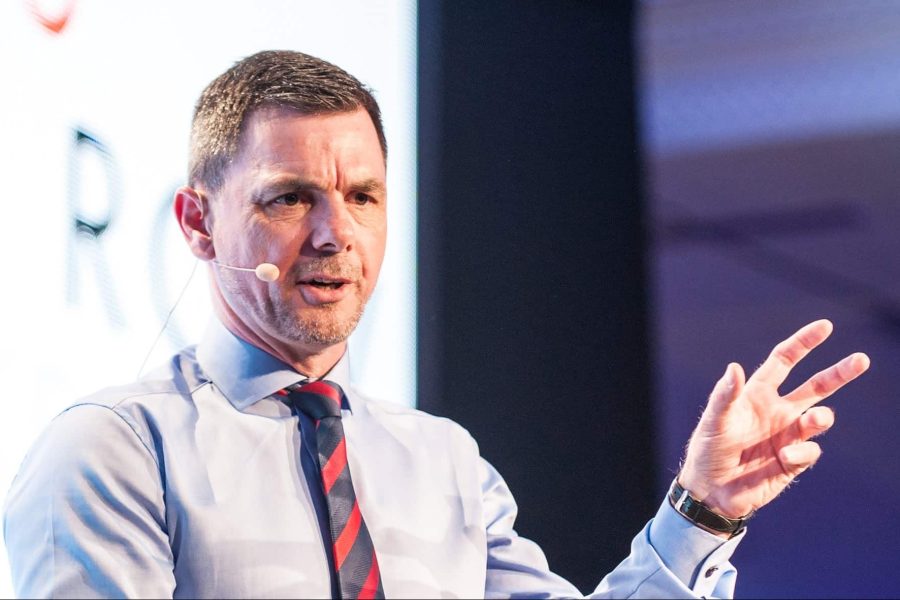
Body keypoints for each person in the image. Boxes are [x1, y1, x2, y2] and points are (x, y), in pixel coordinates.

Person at [3, 50, 870, 599]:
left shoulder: (444, 464)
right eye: (290, 198)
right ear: (198, 223)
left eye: (362, 197)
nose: (335, 234)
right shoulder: (115, 449)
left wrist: (703, 511)